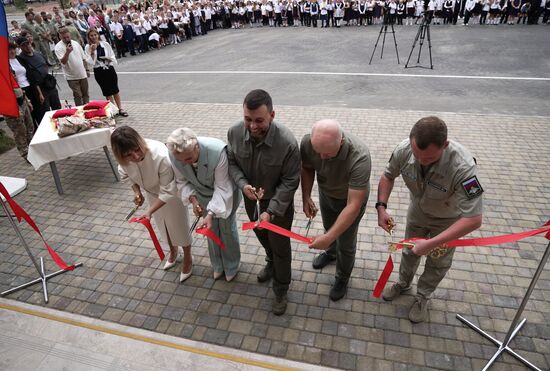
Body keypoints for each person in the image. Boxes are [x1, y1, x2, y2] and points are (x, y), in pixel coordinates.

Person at [377, 116, 483, 323]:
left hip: (448, 221)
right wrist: (381, 208)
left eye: (428, 159)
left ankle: (423, 296)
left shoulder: (463, 167)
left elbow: (474, 219)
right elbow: (388, 176)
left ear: (445, 145)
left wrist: (432, 243)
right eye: (417, 156)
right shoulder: (404, 150)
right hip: (417, 213)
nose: (421, 161)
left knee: (438, 261)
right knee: (409, 252)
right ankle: (403, 283)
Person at [227, 89, 300, 315]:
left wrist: (272, 211)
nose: (252, 126)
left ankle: (281, 288)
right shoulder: (234, 133)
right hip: (252, 201)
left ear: (272, 115)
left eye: (259, 120)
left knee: (280, 248)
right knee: (262, 236)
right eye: (247, 119)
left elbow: (290, 181)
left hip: (279, 207)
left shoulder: (287, 143)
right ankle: (271, 261)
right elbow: (231, 162)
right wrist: (242, 185)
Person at [111, 126, 194, 282]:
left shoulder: (160, 154)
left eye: (137, 150)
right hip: (151, 194)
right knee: (162, 225)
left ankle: (188, 258)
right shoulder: (123, 161)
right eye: (129, 155)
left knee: (179, 227)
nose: (135, 156)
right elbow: (126, 175)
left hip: (172, 194)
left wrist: (149, 211)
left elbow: (168, 191)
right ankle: (173, 251)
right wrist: (137, 192)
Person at [301, 119, 371, 301]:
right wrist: (306, 196)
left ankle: (342, 277)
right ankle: (331, 253)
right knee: (328, 226)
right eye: (319, 152)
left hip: (350, 200)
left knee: (346, 242)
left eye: (328, 154)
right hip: (326, 194)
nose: (322, 158)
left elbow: (353, 205)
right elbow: (307, 168)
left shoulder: (360, 156)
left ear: (341, 142)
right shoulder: (308, 142)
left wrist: (328, 238)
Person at [167, 128, 242, 282]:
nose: (184, 163)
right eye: (180, 160)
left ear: (197, 147)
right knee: (211, 230)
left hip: (225, 194)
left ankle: (232, 265)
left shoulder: (217, 151)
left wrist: (210, 213)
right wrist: (193, 201)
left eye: (188, 159)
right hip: (201, 195)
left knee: (226, 228)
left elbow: (223, 187)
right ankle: (217, 265)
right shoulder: (175, 155)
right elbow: (182, 181)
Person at [13, 37, 61, 127]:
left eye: (27, 43)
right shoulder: (21, 59)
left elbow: (46, 65)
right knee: (45, 112)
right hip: (39, 88)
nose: (27, 46)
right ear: (20, 47)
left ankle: (61, 125)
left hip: (49, 84)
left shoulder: (38, 54)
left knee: (57, 107)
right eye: (23, 45)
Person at [84, 29, 128, 116]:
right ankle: (113, 109)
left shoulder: (105, 44)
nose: (93, 37)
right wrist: (92, 51)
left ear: (98, 35)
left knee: (115, 89)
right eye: (91, 35)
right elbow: (90, 62)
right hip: (99, 70)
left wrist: (109, 59)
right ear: (89, 37)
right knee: (107, 91)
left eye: (95, 35)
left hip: (109, 68)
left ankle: (120, 108)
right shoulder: (87, 47)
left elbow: (112, 55)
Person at [55, 27, 90, 106]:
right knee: (78, 95)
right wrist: (67, 52)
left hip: (82, 73)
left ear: (70, 35)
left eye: (68, 37)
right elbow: (63, 62)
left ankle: (87, 108)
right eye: (64, 38)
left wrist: (87, 69)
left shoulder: (75, 43)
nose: (67, 39)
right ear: (60, 37)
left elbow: (83, 58)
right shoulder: (58, 47)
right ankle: (80, 111)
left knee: (86, 94)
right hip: (71, 76)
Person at [4, 71, 34, 161]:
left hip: (22, 101)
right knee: (20, 131)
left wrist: (27, 101)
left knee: (30, 127)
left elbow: (18, 86)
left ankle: (33, 150)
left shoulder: (8, 70)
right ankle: (26, 154)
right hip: (11, 106)